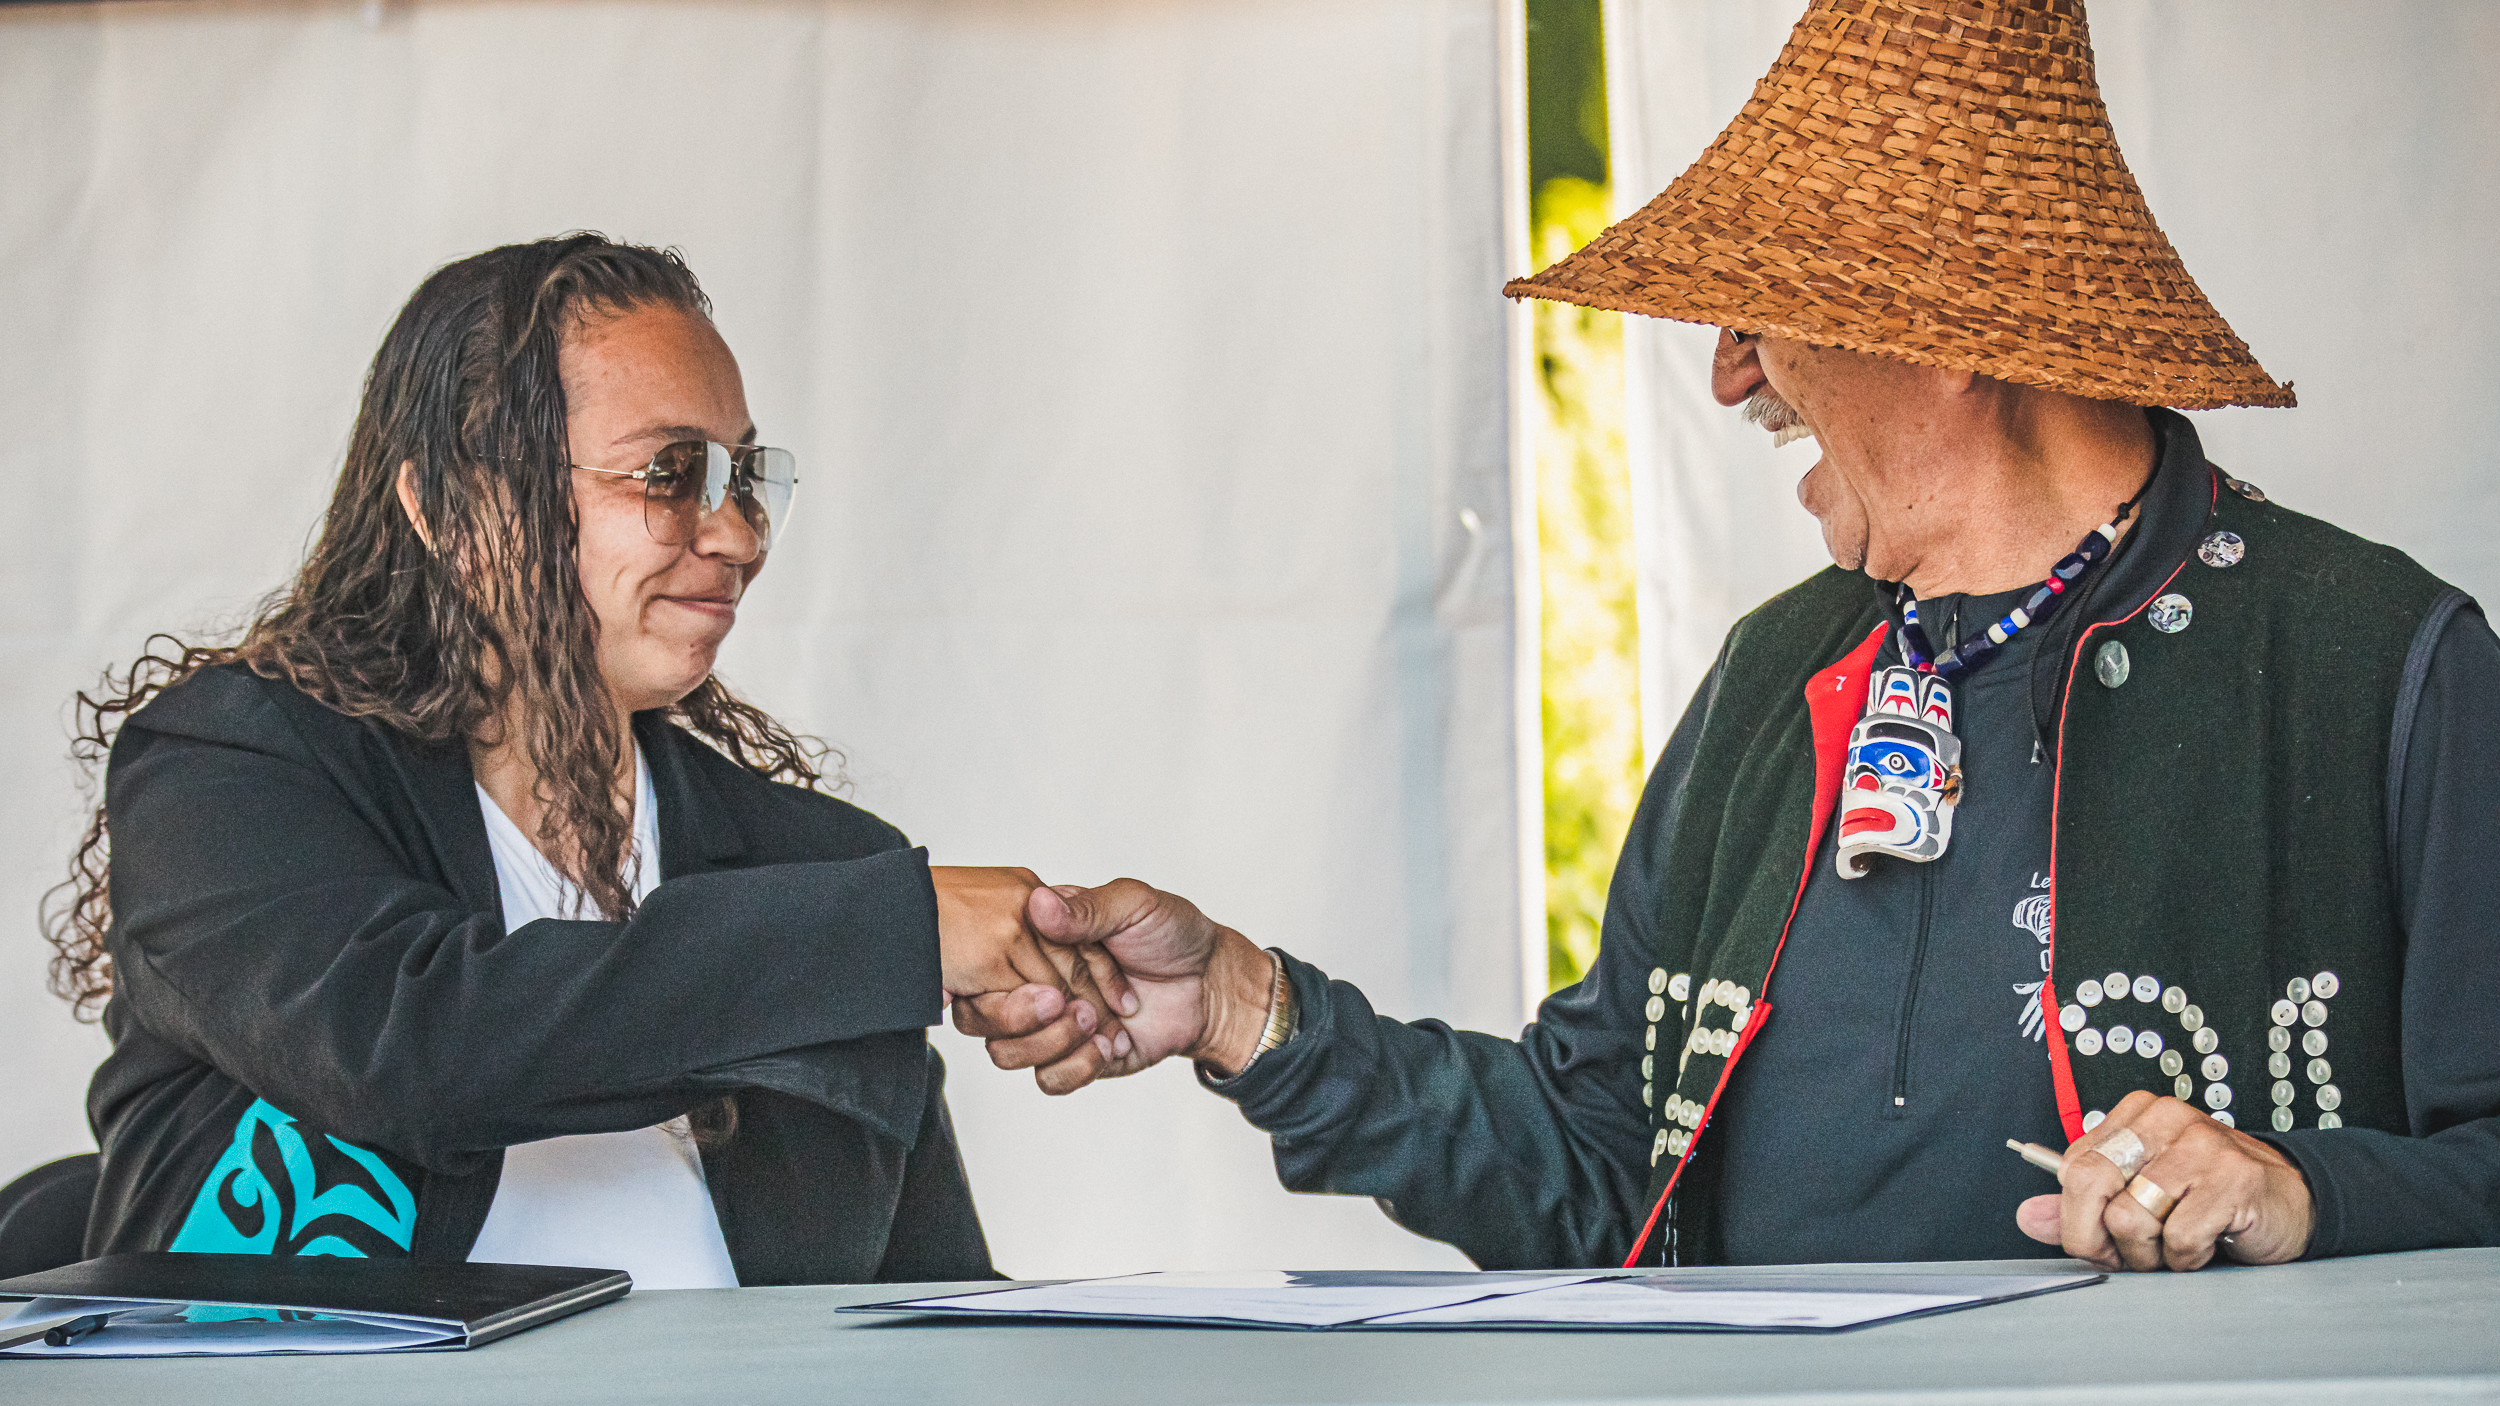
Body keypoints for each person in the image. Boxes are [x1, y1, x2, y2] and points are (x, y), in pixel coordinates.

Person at [993, 0, 2500, 1274]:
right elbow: (1600, 1163)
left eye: (1766, 306)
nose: (1726, 376)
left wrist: (2302, 1191)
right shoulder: (1778, 674)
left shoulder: (2379, 661)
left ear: (1954, 321)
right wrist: (1248, 1010)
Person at [48, 234, 1129, 1287]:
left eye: (745, 476)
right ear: (452, 508)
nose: (740, 535)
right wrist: (899, 932)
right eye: (669, 473)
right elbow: (411, 1050)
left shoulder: (820, 865)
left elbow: (930, 1306)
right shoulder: (235, 769)